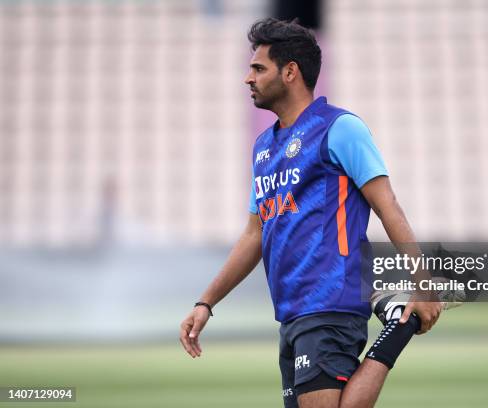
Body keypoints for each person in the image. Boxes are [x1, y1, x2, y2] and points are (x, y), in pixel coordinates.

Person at [180, 18, 444, 408]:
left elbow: (387, 205)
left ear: (290, 72)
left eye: (258, 68)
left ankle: (400, 326)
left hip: (330, 300)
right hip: (291, 312)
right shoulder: (263, 148)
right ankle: (397, 325)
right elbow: (255, 234)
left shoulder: (340, 128)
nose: (247, 78)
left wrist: (424, 283)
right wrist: (206, 303)